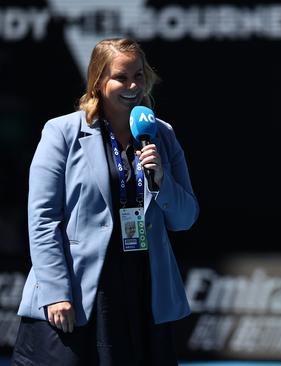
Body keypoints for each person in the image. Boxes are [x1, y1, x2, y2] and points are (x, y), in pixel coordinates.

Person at [12, 38, 199, 365]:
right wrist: (56, 292)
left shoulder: (162, 134)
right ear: (98, 80)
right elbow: (42, 221)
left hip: (144, 289)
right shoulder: (62, 132)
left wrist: (160, 181)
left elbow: (184, 219)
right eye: (121, 77)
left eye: (138, 76)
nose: (132, 86)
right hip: (83, 290)